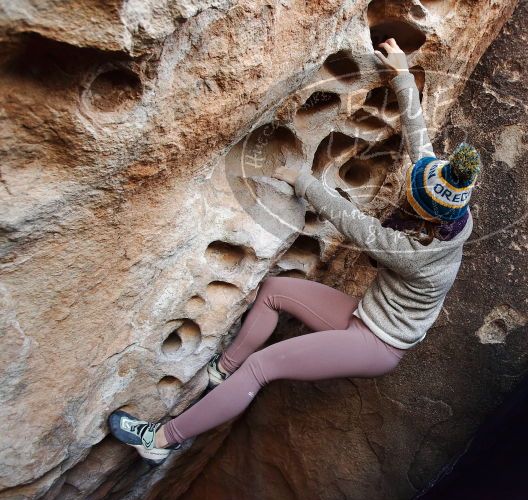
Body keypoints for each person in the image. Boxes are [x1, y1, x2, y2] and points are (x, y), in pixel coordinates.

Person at [107, 38, 482, 465]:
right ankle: (222, 371)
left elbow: (354, 224)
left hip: (377, 343)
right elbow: (422, 146)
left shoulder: (415, 252)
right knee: (274, 290)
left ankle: (161, 440)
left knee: (262, 368)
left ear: (425, 213)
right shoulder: (450, 210)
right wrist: (400, 75)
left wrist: (301, 179)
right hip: (366, 313)